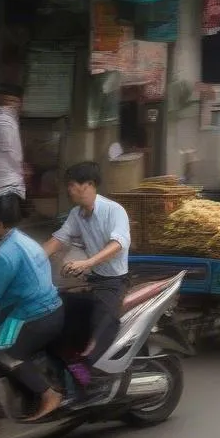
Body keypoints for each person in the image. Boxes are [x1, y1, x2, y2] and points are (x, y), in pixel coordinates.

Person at [43, 162, 131, 381]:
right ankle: (68, 367)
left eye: (72, 185)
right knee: (59, 308)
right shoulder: (76, 214)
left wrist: (87, 262)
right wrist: (30, 258)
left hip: (114, 282)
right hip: (93, 280)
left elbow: (118, 243)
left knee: (100, 329)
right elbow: (58, 240)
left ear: (89, 185)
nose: (69, 190)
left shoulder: (114, 210)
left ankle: (92, 382)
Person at [0, 193, 64, 421]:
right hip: (50, 308)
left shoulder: (6, 253)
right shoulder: (23, 239)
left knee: (4, 351)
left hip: (36, 316)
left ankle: (49, 395)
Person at [0, 84, 25, 207]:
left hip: (2, 175)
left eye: (14, 101)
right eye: (9, 101)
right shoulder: (4, 119)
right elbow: (7, 148)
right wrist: (20, 167)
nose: (12, 105)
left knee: (1, 214)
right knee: (6, 215)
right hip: (6, 176)